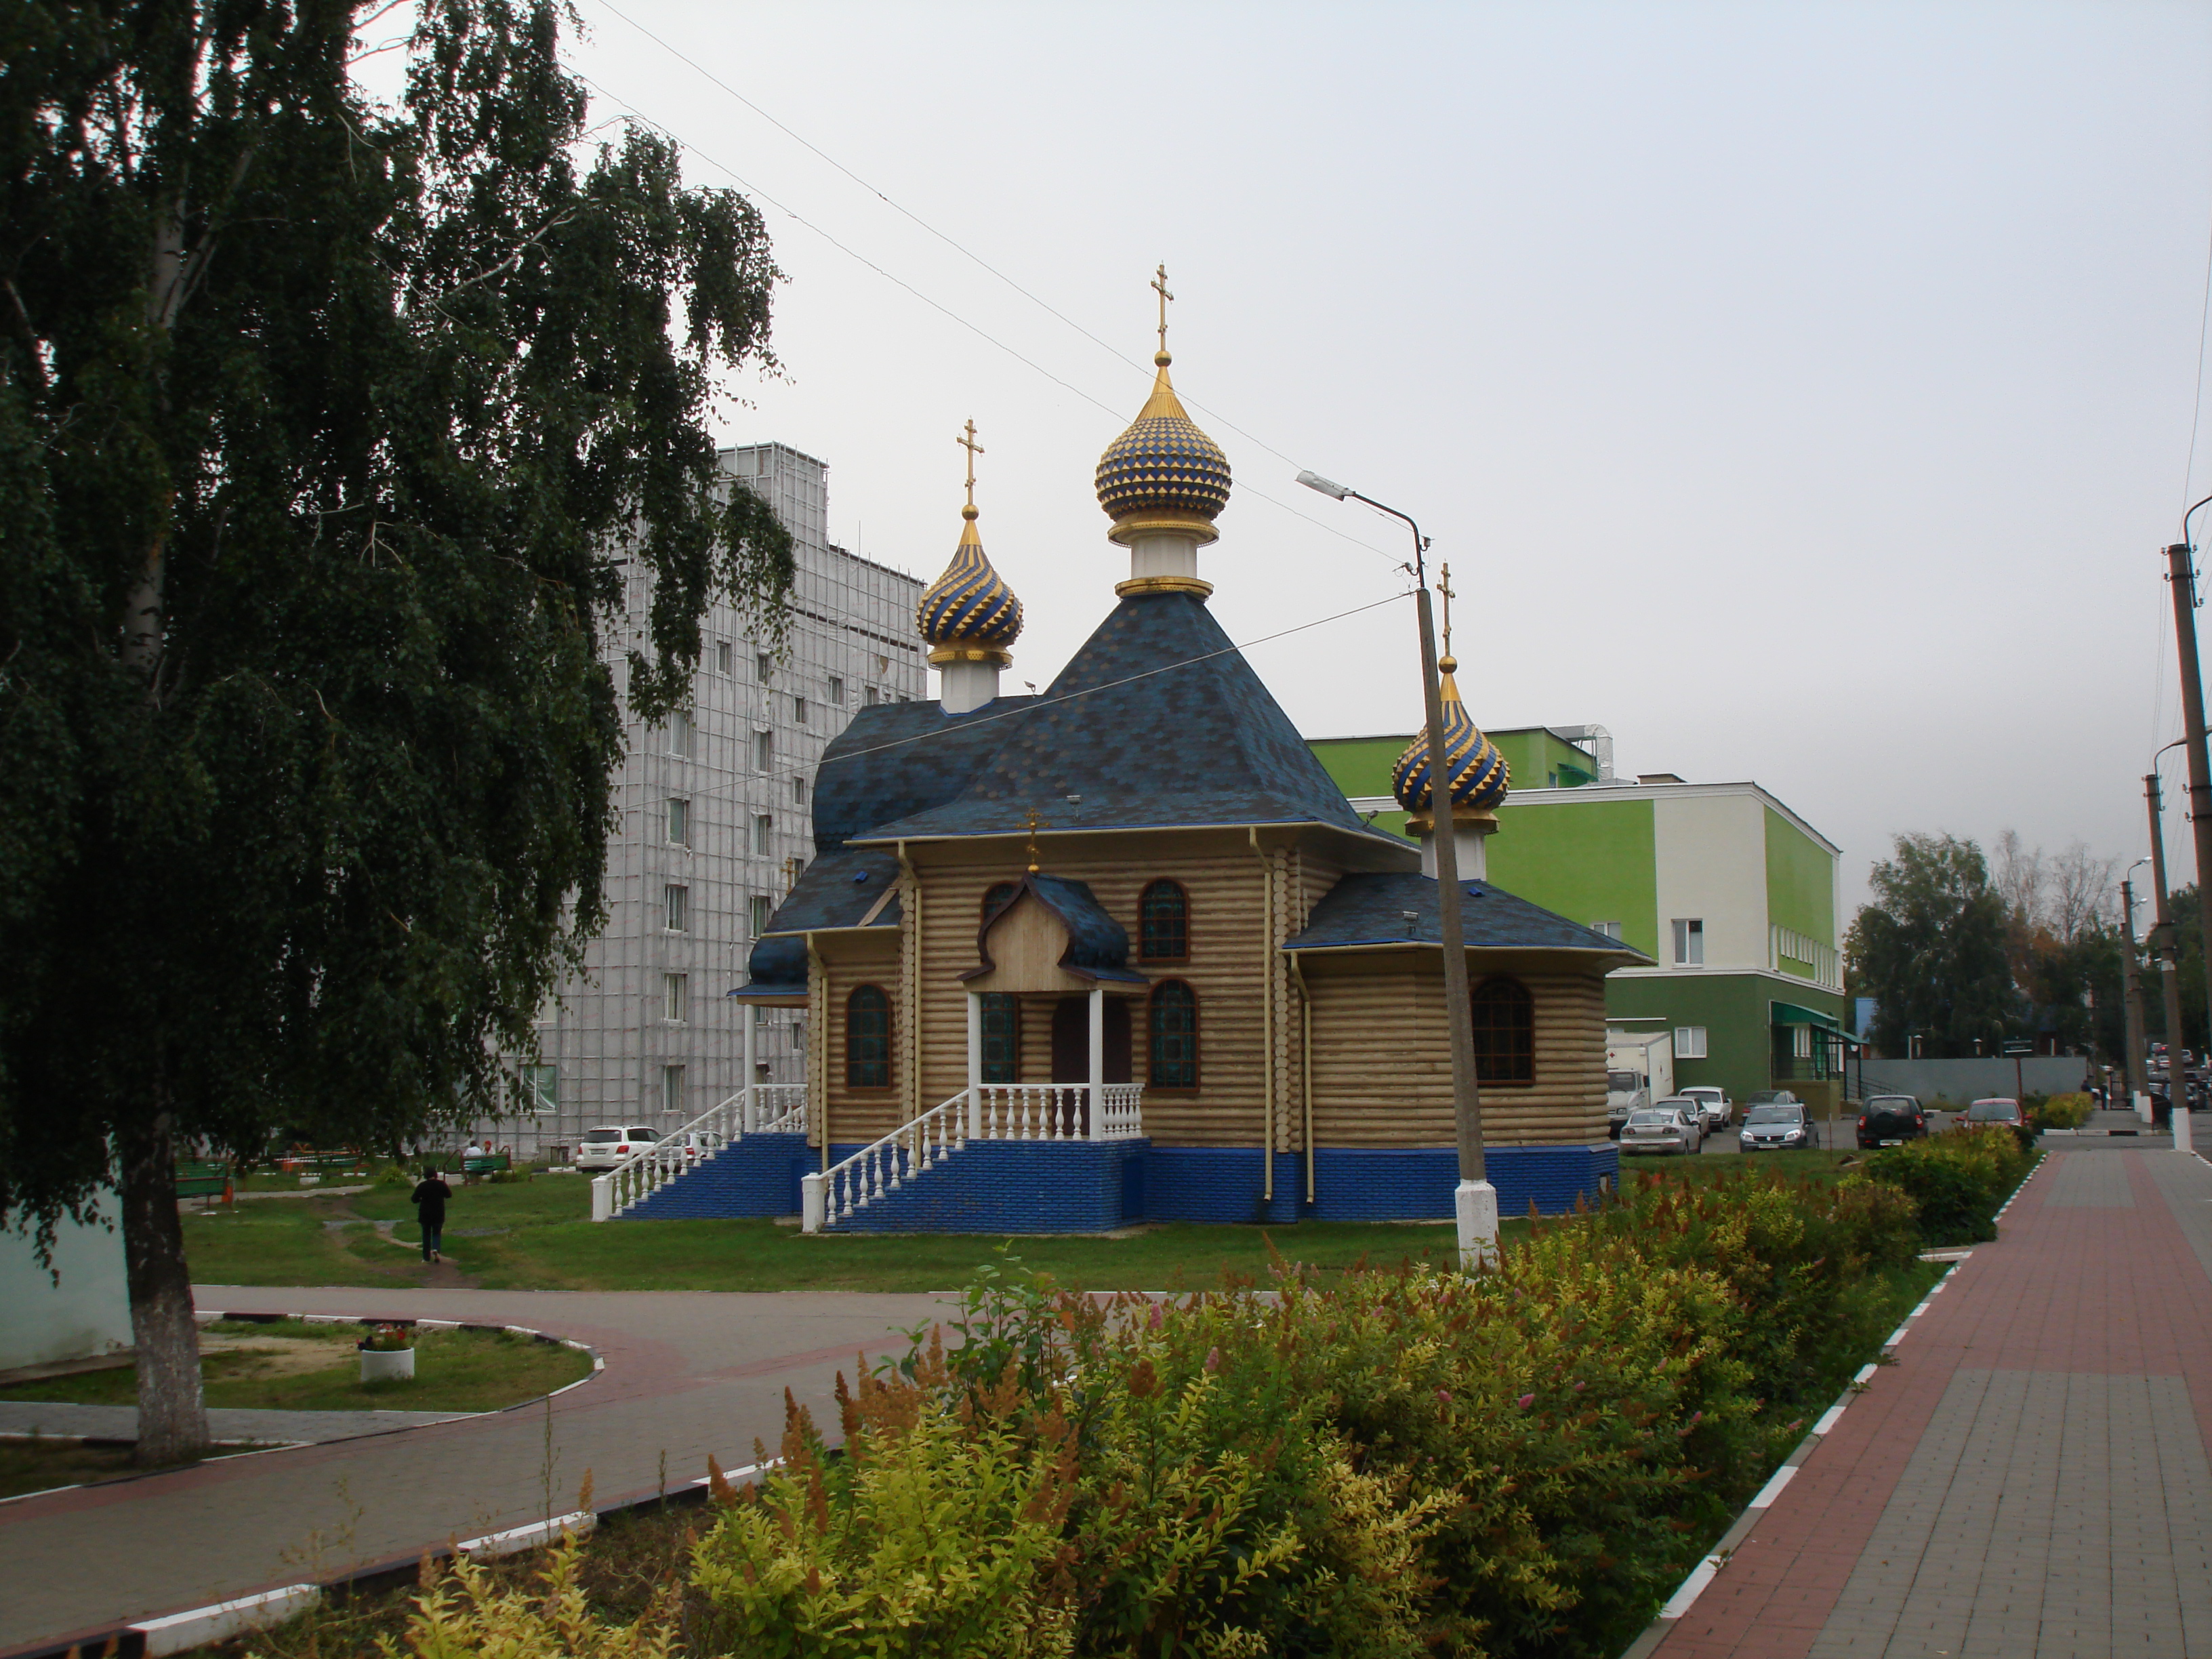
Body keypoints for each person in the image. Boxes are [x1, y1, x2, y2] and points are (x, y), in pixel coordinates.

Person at [412, 1166, 452, 1263]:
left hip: (425, 1214)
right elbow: (449, 1195)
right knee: (436, 1233)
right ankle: (436, 1249)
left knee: (426, 1235)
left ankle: (426, 1257)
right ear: (436, 1174)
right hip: (438, 1213)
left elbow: (414, 1199)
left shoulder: (422, 1186)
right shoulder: (441, 1184)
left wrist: (421, 1199)